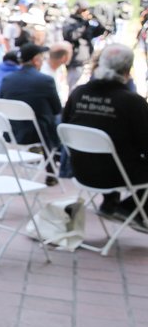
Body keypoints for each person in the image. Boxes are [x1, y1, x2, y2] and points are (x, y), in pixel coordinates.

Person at [62, 44, 148, 230]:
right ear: (127, 70)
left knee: (111, 151)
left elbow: (65, 127)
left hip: (80, 170)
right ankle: (128, 208)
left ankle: (110, 204)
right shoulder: (133, 102)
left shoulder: (78, 93)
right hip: (115, 175)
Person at [0, 43, 62, 152]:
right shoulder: (46, 81)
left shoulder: (7, 79)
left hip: (11, 131)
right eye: (42, 58)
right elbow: (57, 109)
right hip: (37, 134)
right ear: (36, 60)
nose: (43, 61)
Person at [63, 0, 107, 90]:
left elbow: (100, 31)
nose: (85, 12)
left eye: (86, 10)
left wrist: (96, 17)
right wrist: (82, 24)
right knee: (74, 88)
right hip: (76, 61)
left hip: (88, 60)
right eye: (83, 10)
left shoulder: (87, 23)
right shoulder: (70, 21)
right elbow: (71, 36)